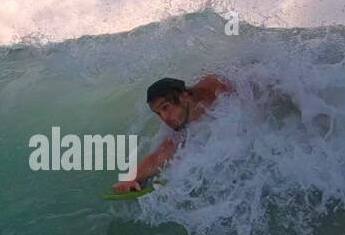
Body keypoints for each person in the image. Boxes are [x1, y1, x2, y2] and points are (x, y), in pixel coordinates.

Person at [112, 74, 321, 194]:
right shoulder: (180, 121)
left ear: (184, 97)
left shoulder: (213, 90)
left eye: (166, 107)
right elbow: (164, 152)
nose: (164, 118)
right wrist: (130, 177)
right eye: (158, 113)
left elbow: (250, 100)